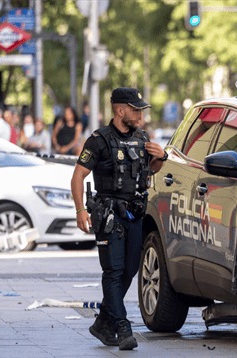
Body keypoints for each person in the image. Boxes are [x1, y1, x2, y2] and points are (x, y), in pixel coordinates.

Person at [70, 87, 166, 350]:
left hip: (134, 212)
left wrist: (161, 158)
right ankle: (122, 327)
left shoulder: (142, 138)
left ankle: (103, 321)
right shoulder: (98, 140)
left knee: (130, 269)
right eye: (135, 109)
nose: (140, 114)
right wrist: (80, 210)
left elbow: (150, 170)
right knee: (112, 271)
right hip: (108, 213)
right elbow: (78, 176)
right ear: (120, 110)